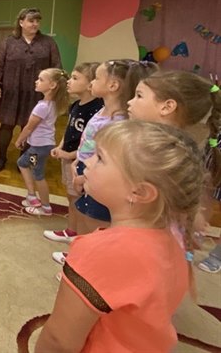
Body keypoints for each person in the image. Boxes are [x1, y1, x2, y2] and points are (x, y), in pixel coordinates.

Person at [36, 121, 207, 353]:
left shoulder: (100, 252)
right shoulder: (174, 242)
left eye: (100, 158)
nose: (87, 161)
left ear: (140, 191)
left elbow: (58, 341)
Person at [127, 70, 221, 273]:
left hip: (154, 245)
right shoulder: (152, 144)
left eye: (139, 96)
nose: (130, 102)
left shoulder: (171, 156)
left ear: (167, 107)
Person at [69, 59, 158, 237]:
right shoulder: (102, 110)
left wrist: (84, 176)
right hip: (86, 168)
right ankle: (79, 244)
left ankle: (87, 250)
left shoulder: (117, 123)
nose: (92, 82)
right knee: (83, 213)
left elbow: (110, 160)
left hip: (98, 175)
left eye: (96, 78)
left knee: (94, 223)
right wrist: (78, 160)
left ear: (113, 85)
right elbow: (89, 142)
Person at [0, 8, 61, 172]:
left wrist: (54, 90)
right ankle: (1, 157)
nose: (35, 24)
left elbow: (57, 67)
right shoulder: (8, 42)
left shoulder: (48, 43)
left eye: (37, 21)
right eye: (31, 20)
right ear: (21, 22)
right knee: (6, 125)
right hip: (11, 91)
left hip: (36, 93)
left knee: (29, 127)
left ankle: (22, 160)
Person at [44, 62, 103, 242]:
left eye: (75, 78)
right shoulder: (76, 105)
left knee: (79, 199)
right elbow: (69, 129)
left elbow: (93, 143)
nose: (69, 81)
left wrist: (70, 155)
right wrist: (61, 147)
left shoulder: (96, 109)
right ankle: (72, 230)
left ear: (90, 84)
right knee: (71, 196)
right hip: (68, 157)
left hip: (81, 161)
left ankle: (78, 235)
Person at [15, 68, 69, 216]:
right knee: (22, 163)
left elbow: (29, 127)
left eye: (41, 79)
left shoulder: (42, 107)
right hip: (42, 146)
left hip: (39, 148)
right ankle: (32, 196)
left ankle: (45, 207)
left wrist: (19, 140)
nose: (36, 81)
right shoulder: (51, 104)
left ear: (52, 85)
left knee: (37, 174)